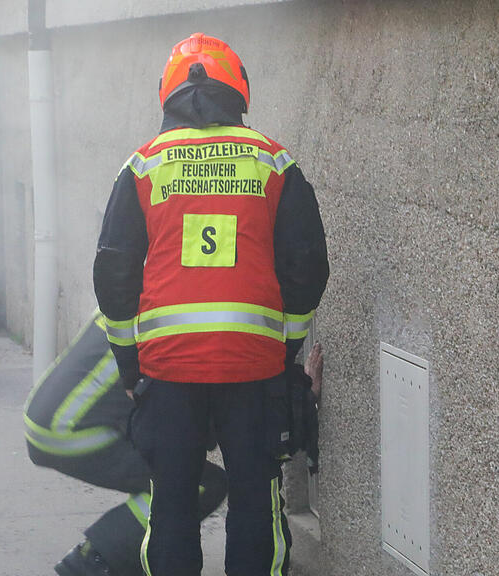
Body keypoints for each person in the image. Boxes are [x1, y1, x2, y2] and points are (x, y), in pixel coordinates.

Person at [92, 33, 329, 576]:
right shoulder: (273, 161)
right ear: (238, 88)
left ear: (168, 93)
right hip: (253, 367)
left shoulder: (144, 165)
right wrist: (285, 349)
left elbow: (114, 273)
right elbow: (307, 265)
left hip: (167, 368)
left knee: (172, 504)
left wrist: (129, 364)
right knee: (256, 498)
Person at [25, 311, 228, 576]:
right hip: (69, 432)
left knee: (169, 466)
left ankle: (132, 553)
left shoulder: (133, 301)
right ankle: (95, 561)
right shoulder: (180, 322)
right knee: (198, 483)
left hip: (46, 419)